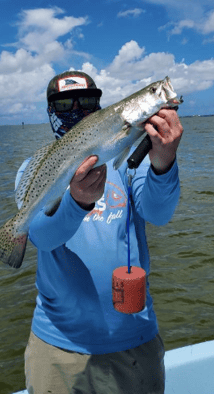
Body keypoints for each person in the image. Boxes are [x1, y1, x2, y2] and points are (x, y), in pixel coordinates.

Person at [16, 71, 183, 394]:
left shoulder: (130, 157)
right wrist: (77, 202)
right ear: (52, 112)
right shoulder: (34, 169)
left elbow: (159, 214)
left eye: (88, 101)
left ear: (101, 105)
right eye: (64, 104)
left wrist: (163, 161)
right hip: (57, 346)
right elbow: (43, 237)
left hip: (134, 338)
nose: (76, 110)